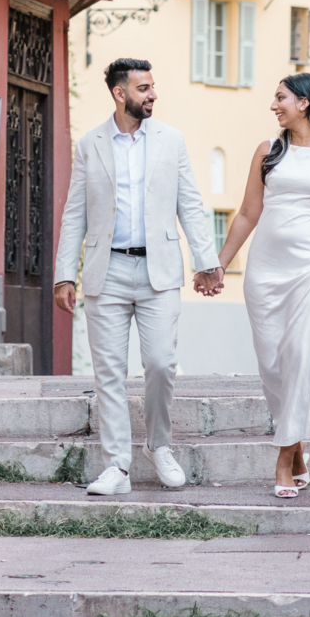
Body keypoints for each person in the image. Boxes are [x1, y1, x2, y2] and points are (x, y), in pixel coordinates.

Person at [54, 58, 219, 495]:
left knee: (161, 363)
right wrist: (63, 274)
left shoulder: (172, 141)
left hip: (158, 270)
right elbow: (75, 213)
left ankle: (158, 446)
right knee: (108, 371)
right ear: (119, 93)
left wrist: (207, 261)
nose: (152, 95)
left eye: (152, 86)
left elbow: (190, 203)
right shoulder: (90, 144)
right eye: (143, 88)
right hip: (105, 270)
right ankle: (117, 467)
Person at [202, 73, 310, 497]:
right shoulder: (269, 151)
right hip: (266, 269)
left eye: (280, 98)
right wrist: (219, 264)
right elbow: (246, 214)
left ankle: (281, 458)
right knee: (273, 365)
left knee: (300, 357)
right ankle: (297, 452)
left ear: (304, 102)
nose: (273, 105)